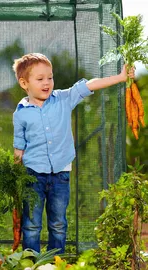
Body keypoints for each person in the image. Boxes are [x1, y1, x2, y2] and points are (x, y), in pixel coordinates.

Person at [12, 53, 135, 254]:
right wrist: (15, 173)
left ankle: (54, 261)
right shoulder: (20, 113)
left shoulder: (62, 99)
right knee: (31, 225)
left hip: (61, 174)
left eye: (50, 77)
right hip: (32, 174)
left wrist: (120, 77)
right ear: (24, 83)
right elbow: (19, 145)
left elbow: (88, 85)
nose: (47, 83)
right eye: (40, 79)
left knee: (58, 223)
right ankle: (31, 262)